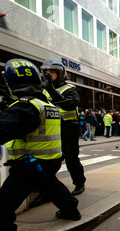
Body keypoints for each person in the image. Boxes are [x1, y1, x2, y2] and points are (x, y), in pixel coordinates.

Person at [0, 59, 81, 231]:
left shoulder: (27, 108)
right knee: (49, 184)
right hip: (48, 159)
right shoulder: (43, 103)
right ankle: (70, 208)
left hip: (31, 162)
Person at [41, 60, 86, 196]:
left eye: (53, 72)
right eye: (47, 72)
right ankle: (46, 187)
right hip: (50, 129)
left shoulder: (69, 89)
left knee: (71, 158)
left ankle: (79, 183)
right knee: (49, 159)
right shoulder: (43, 90)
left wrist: (51, 91)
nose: (50, 74)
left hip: (68, 127)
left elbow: (70, 105)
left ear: (61, 74)